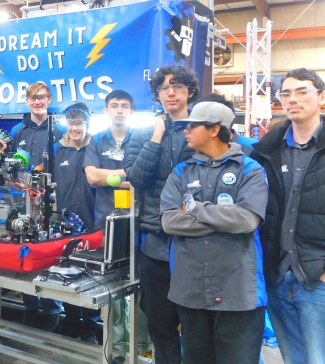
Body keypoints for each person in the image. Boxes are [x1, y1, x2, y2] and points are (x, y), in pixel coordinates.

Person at [160, 102, 268, 364]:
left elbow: (246, 219)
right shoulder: (180, 171)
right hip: (191, 289)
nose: (186, 131)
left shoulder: (251, 169)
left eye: (192, 125)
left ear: (214, 129)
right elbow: (169, 221)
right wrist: (222, 217)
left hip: (238, 291)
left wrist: (195, 208)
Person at [250, 68, 325, 364]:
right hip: (278, 275)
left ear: (322, 97)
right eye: (286, 93)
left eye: (302, 91)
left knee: (324, 359)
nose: (293, 99)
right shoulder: (267, 150)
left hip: (322, 279)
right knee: (293, 358)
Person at [124, 65, 199, 364]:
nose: (171, 92)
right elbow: (136, 178)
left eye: (178, 86)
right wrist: (156, 137)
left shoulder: (202, 130)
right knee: (158, 320)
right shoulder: (143, 133)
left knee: (195, 321)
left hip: (194, 240)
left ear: (189, 92)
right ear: (157, 94)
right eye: (165, 87)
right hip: (155, 241)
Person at [10, 82, 65, 331]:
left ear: (49, 99)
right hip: (21, 202)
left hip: (50, 203)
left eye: (41, 97)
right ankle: (30, 306)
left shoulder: (60, 130)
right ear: (27, 101)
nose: (37, 102)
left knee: (49, 255)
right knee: (24, 252)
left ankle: (52, 308)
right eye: (32, 98)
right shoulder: (17, 131)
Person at [53, 102, 100, 344]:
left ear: (87, 124)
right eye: (70, 123)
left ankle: (90, 329)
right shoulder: (57, 150)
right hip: (65, 228)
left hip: (94, 225)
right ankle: (71, 323)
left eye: (79, 122)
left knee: (93, 278)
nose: (74, 127)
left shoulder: (97, 147)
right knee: (67, 276)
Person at [83, 89, 133, 231]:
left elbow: (145, 179)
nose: (120, 110)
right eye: (114, 106)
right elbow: (92, 177)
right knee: (105, 252)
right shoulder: (96, 140)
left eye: (124, 106)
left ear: (131, 111)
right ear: (106, 110)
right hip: (105, 218)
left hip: (136, 217)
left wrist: (106, 178)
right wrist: (129, 174)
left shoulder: (142, 139)